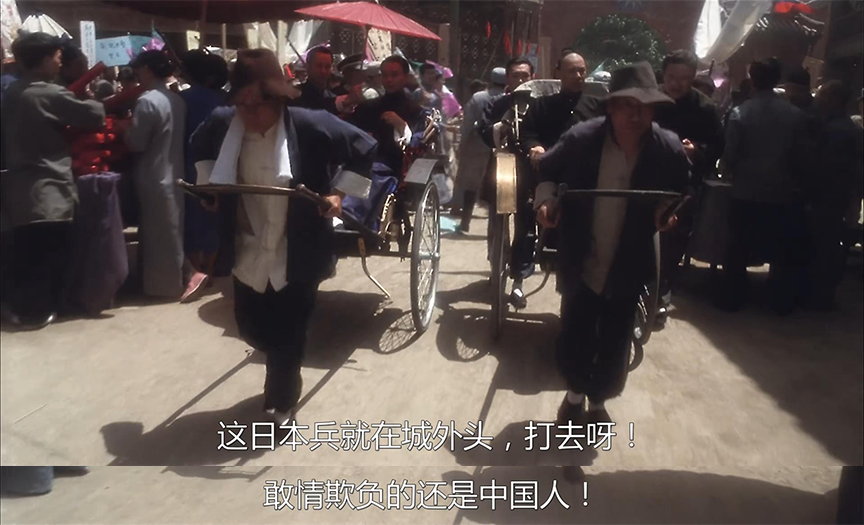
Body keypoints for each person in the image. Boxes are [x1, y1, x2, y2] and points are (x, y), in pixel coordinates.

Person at [191, 48, 376, 424]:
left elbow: (364, 148)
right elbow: (199, 146)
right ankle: (277, 360)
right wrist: (211, 189)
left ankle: (281, 400)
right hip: (248, 242)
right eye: (241, 104)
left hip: (298, 243)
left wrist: (337, 194)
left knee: (289, 332)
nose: (248, 113)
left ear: (278, 99)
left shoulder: (311, 124)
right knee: (250, 327)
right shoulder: (223, 122)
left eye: (258, 104)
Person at [534, 61, 688, 424]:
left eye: (644, 107)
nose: (636, 115)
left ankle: (599, 400)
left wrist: (666, 211)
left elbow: (680, 189)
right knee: (577, 328)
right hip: (583, 252)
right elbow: (548, 172)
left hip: (630, 256)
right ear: (611, 108)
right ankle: (574, 396)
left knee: (617, 335)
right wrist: (546, 202)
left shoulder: (667, 148)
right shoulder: (581, 139)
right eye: (627, 105)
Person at [1, 32, 105, 328]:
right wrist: (88, 94)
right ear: (45, 59)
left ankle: (22, 307)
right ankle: (36, 311)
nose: (60, 63)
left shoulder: (15, 91)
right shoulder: (47, 93)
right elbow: (94, 114)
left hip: (21, 186)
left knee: (28, 252)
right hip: (49, 187)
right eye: (58, 58)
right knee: (48, 253)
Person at [719, 58, 810, 314]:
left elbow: (731, 153)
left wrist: (727, 170)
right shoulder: (795, 115)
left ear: (752, 80)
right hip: (781, 192)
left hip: (745, 191)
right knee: (780, 250)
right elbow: (801, 156)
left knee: (738, 247)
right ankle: (778, 302)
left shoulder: (740, 113)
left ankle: (732, 298)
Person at [653, 49, 724, 327]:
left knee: (673, 238)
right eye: (671, 77)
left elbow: (718, 145)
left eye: (683, 78)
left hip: (683, 183)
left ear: (693, 78)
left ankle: (662, 292)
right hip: (647, 178)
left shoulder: (705, 108)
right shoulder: (651, 99)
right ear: (664, 75)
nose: (676, 83)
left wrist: (697, 150)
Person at [123, 50, 189, 299]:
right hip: (175, 173)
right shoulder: (176, 100)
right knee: (171, 232)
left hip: (152, 175)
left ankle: (162, 288)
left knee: (157, 236)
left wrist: (123, 130)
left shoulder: (147, 101)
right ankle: (171, 283)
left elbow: (136, 142)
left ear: (147, 70)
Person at [479, 57, 535, 308]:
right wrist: (499, 129)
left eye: (525, 76)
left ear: (532, 77)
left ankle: (518, 282)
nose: (521, 80)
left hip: (530, 172)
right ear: (508, 79)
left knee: (526, 227)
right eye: (516, 76)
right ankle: (497, 266)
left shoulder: (540, 105)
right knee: (497, 225)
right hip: (502, 169)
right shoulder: (498, 104)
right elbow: (483, 130)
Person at [806, 80, 863, 309]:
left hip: (827, 197)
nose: (818, 99)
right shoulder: (845, 127)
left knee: (823, 246)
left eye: (822, 95)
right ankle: (823, 294)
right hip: (836, 197)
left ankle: (819, 296)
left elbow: (824, 168)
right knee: (827, 245)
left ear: (835, 100)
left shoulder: (836, 131)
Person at [179, 50, 229, 295]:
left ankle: (197, 271)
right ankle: (209, 268)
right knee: (214, 217)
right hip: (221, 164)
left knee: (193, 217)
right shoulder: (226, 99)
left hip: (191, 163)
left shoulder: (183, 99)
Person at [348, 55, 426, 176]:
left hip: (398, 172)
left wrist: (402, 126)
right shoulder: (369, 107)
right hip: (367, 168)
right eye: (385, 75)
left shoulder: (416, 111)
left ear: (405, 77)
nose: (389, 80)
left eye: (394, 75)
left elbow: (417, 144)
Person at [452, 67, 506, 233]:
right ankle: (496, 227)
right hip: (501, 146)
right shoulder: (509, 98)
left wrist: (462, 144)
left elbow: (468, 124)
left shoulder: (478, 97)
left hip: (477, 145)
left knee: (471, 184)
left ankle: (465, 222)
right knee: (498, 185)